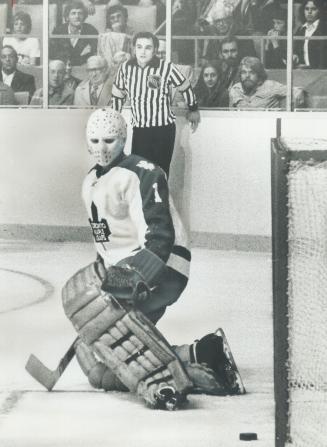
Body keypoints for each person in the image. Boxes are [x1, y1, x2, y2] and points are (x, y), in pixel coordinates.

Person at [61, 107, 245, 409]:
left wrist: (132, 278)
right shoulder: (89, 182)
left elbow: (159, 236)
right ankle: (203, 353)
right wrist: (103, 277)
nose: (102, 148)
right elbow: (105, 240)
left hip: (164, 266)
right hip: (127, 271)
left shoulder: (143, 172)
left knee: (114, 349)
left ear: (123, 138)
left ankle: (188, 373)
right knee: (110, 351)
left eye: (109, 140)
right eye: (94, 140)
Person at [111, 31, 200, 177]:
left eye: (148, 47)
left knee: (160, 174)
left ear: (155, 50)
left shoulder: (166, 67)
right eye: (139, 47)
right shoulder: (126, 68)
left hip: (163, 130)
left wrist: (193, 109)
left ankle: (161, 200)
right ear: (133, 49)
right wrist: (114, 119)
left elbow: (185, 86)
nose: (143, 51)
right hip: (140, 130)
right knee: (139, 175)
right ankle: (144, 201)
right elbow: (118, 95)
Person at [50, 0, 98, 66]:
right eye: (73, 13)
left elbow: (95, 54)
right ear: (67, 17)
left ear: (84, 16)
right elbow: (52, 54)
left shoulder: (91, 30)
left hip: (83, 69)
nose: (77, 16)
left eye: (80, 13)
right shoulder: (58, 31)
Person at [293, 0, 327, 68]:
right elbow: (297, 51)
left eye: (313, 9)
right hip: (305, 72)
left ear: (320, 10)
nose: (309, 12)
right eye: (306, 9)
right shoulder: (301, 30)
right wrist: (295, 56)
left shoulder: (324, 28)